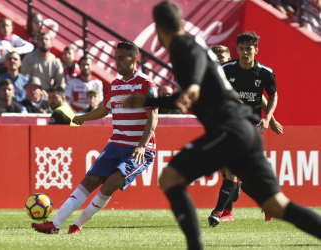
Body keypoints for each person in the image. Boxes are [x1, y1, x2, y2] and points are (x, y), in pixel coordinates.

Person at [123, 2, 321, 249]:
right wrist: (149, 101)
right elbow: (186, 100)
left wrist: (193, 84)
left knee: (170, 178)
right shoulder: (192, 45)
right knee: (275, 205)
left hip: (230, 130)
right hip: (245, 130)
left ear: (159, 28)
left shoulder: (182, 45)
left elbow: (192, 81)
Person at [31, 41, 158, 235]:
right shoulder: (115, 85)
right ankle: (54, 225)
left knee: (110, 184)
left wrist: (142, 146)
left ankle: (77, 225)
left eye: (121, 58)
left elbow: (153, 117)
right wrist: (82, 117)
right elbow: (103, 109)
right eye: (116, 58)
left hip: (139, 149)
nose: (117, 63)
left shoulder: (146, 83)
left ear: (134, 59)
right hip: (115, 145)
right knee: (89, 181)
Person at [210, 43, 284, 223]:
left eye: (221, 58)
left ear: (228, 59)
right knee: (231, 173)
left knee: (232, 172)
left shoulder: (237, 72)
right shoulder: (214, 75)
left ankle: (221, 212)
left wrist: (271, 119)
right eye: (214, 58)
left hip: (243, 128)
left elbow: (261, 97)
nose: (217, 61)